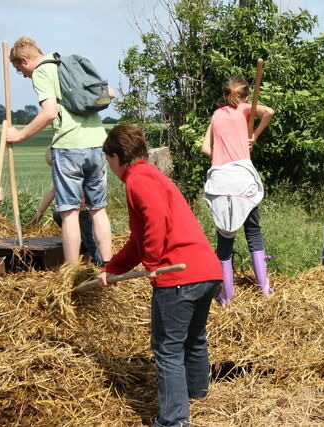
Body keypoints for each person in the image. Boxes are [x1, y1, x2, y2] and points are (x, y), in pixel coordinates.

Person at [98, 124, 223, 427]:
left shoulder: (137, 179)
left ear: (115, 156)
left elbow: (156, 221)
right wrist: (112, 268)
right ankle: (196, 394)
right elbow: (138, 240)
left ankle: (174, 420)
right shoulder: (153, 175)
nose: (109, 167)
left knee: (167, 349)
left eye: (108, 160)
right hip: (206, 270)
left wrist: (153, 263)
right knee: (194, 338)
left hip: (177, 274)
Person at [6, 37, 113, 265]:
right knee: (98, 209)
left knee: (69, 212)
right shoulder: (67, 64)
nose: (23, 75)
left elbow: (49, 112)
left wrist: (20, 135)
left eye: (19, 69)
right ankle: (109, 267)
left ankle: (71, 272)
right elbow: (109, 93)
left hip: (70, 147)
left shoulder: (42, 72)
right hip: (98, 144)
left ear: (24, 60)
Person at [201, 76, 275, 305]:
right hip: (243, 180)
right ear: (244, 94)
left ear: (226, 94)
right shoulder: (246, 110)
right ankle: (264, 289)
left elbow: (205, 148)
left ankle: (227, 296)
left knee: (225, 238)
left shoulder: (216, 115)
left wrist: (223, 157)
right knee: (253, 231)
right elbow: (269, 112)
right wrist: (253, 136)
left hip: (220, 181)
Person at [29, 150, 103, 265]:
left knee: (90, 239)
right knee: (57, 215)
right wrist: (40, 211)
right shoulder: (63, 177)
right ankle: (79, 243)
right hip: (74, 213)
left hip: (84, 212)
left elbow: (92, 190)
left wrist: (86, 202)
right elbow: (52, 193)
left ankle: (100, 261)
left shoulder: (79, 173)